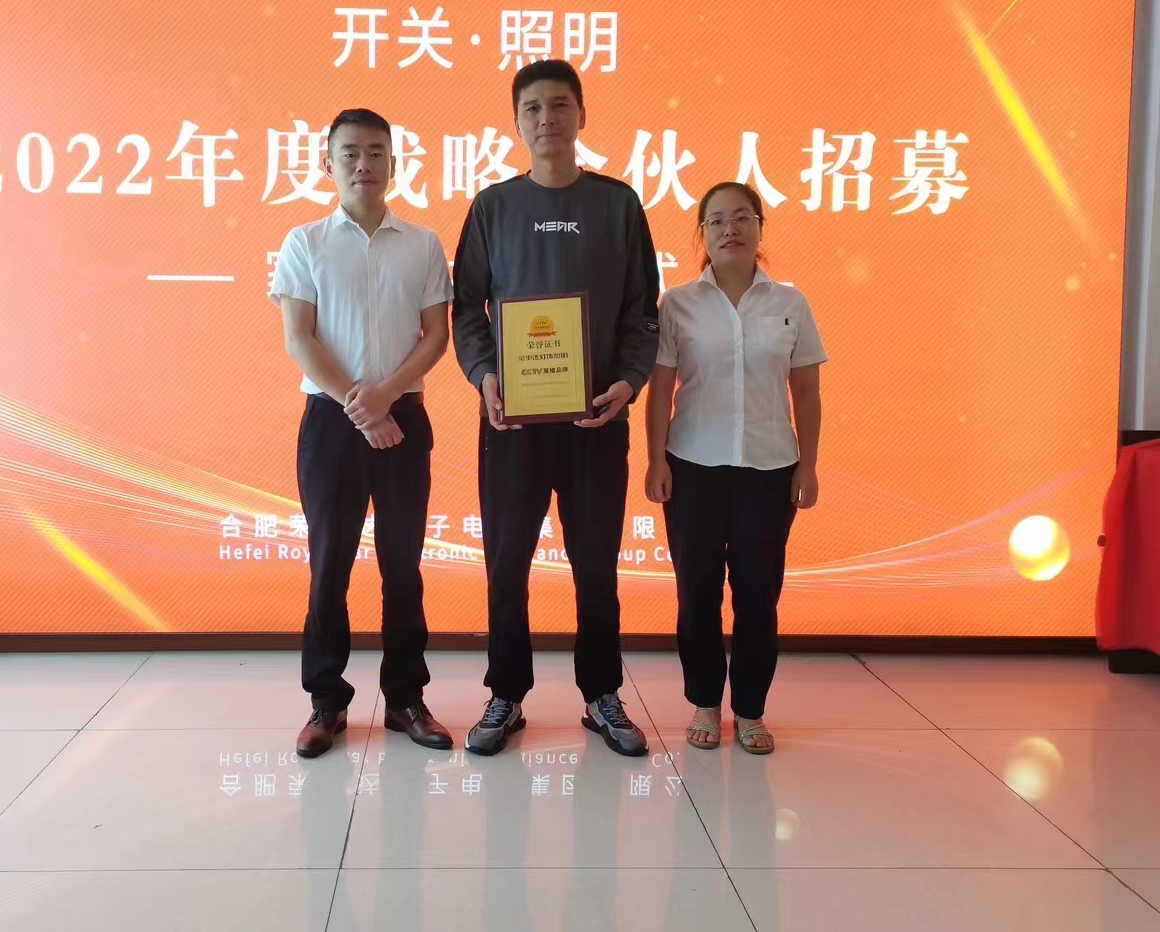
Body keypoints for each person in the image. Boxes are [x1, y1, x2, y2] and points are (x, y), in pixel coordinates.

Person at [452, 59, 660, 757]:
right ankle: (505, 694)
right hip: (512, 423)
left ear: (582, 115)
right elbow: (467, 311)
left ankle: (602, 695)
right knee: (506, 562)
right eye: (534, 108)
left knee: (596, 565)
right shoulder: (493, 207)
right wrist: (485, 377)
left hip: (597, 420)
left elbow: (643, 311)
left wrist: (628, 383)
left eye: (560, 105)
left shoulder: (618, 205)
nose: (548, 119)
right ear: (517, 123)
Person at [270, 108, 455, 758]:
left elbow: (437, 335)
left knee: (403, 566)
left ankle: (406, 699)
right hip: (331, 423)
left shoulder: (422, 243)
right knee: (330, 565)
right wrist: (361, 405)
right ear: (328, 164)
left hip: (404, 417)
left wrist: (385, 397)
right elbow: (299, 337)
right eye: (349, 152)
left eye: (376, 152)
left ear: (394, 163)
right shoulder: (305, 242)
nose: (363, 164)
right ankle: (327, 703)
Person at [644, 181, 825, 755]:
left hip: (769, 469)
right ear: (702, 234)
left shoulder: (790, 303)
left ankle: (750, 709)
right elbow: (660, 391)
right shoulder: (677, 303)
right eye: (717, 220)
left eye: (742, 217)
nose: (731, 229)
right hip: (693, 468)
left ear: (759, 227)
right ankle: (704, 702)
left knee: (757, 597)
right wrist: (655, 460)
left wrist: (809, 466)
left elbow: (807, 392)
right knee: (697, 594)